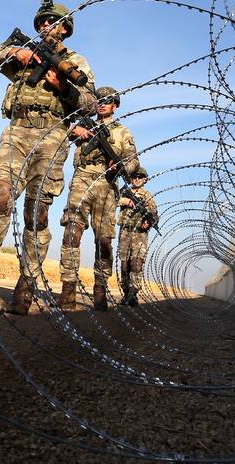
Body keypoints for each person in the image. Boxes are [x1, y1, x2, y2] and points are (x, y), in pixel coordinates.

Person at [0, 0, 97, 314]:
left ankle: (26, 286)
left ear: (66, 29)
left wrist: (63, 87)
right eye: (40, 21)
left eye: (52, 21)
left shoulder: (76, 62)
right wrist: (13, 53)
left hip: (53, 138)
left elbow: (91, 103)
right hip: (17, 133)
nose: (44, 25)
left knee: (36, 215)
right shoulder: (24, 55)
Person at [59, 86, 139, 312]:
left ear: (115, 106)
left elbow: (133, 162)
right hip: (82, 178)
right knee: (72, 232)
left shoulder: (123, 132)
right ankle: (68, 289)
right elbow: (59, 136)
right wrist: (74, 132)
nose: (102, 104)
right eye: (100, 100)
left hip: (107, 184)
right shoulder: (83, 122)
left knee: (103, 240)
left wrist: (120, 165)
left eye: (108, 101)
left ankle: (100, 290)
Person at [117, 168, 158, 307]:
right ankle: (126, 292)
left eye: (140, 177)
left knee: (136, 264)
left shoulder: (147, 196)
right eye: (134, 176)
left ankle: (133, 294)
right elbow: (112, 200)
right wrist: (125, 201)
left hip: (139, 234)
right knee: (124, 265)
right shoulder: (124, 192)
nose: (137, 179)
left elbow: (154, 214)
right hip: (125, 232)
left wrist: (149, 222)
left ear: (144, 179)